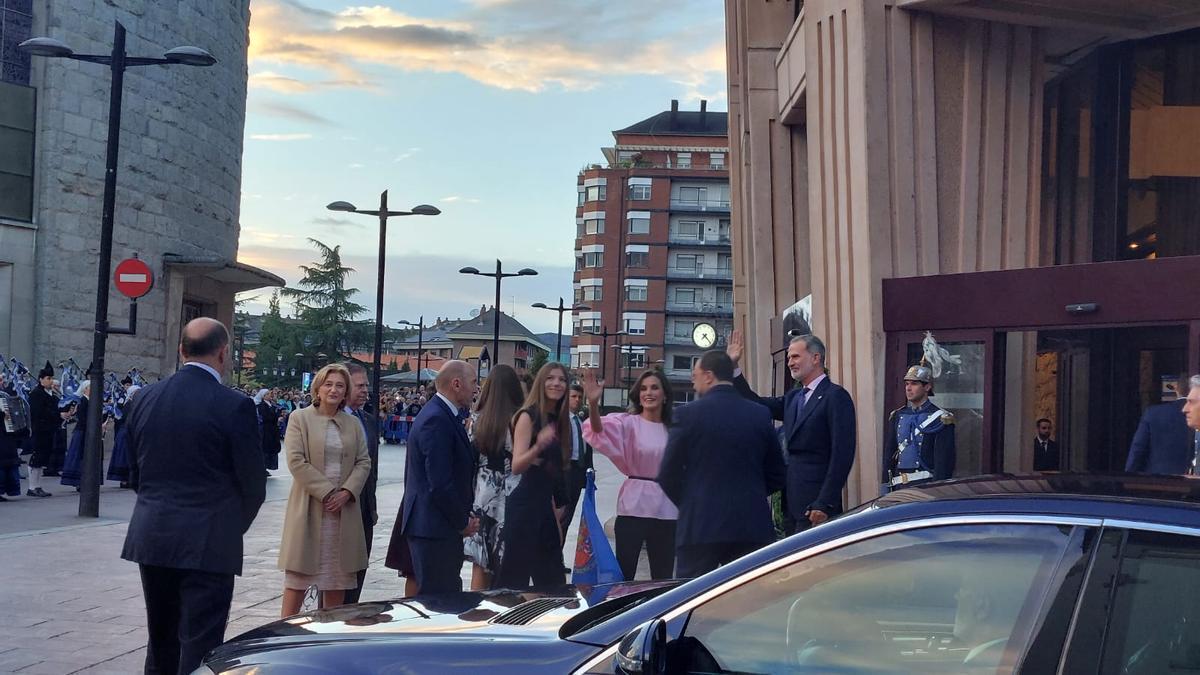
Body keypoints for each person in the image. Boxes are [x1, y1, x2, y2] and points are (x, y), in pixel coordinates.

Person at [120, 318, 266, 675]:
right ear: (223, 353)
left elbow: (134, 473)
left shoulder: (144, 398)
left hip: (153, 535)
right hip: (209, 540)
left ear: (181, 350)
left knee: (161, 640)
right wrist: (228, 526)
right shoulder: (235, 405)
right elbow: (253, 486)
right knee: (201, 644)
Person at [657, 351, 784, 578]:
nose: (691, 380)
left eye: (694, 374)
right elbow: (777, 474)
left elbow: (668, 474)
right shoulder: (759, 414)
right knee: (746, 601)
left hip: (700, 526)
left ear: (708, 375)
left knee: (689, 601)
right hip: (750, 526)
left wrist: (692, 500)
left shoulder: (687, 415)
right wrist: (750, 493)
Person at [728, 330, 856, 532]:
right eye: (788, 358)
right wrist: (734, 368)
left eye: (795, 356)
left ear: (816, 358)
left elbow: (842, 455)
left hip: (817, 508)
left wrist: (825, 502)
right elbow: (756, 403)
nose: (789, 362)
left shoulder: (835, 397)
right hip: (792, 506)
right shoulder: (794, 398)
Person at [279, 363, 372, 616]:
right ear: (317, 388)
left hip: (342, 513)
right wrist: (328, 492)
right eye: (328, 384)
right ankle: (284, 637)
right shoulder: (300, 418)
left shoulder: (352, 423)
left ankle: (329, 638)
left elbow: (364, 461)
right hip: (310, 508)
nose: (333, 390)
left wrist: (347, 492)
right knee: (297, 581)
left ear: (345, 392)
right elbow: (296, 461)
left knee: (337, 581)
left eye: (340, 386)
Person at [390, 360, 479, 594]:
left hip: (436, 527)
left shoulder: (443, 415)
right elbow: (439, 482)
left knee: (443, 594)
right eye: (473, 383)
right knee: (439, 599)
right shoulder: (436, 419)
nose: (475, 389)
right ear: (456, 384)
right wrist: (461, 522)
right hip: (433, 529)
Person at [581, 368, 677, 581]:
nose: (648, 393)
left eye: (654, 387)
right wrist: (594, 404)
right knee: (625, 573)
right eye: (643, 388)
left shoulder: (675, 429)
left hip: (667, 507)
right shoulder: (628, 423)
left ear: (665, 395)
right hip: (634, 505)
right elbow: (598, 430)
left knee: (663, 576)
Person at [496, 362, 572, 589]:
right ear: (541, 382)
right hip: (524, 507)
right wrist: (538, 446)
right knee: (514, 579)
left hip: (544, 508)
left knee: (553, 581)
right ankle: (504, 622)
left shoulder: (557, 419)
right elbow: (517, 464)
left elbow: (555, 471)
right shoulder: (527, 417)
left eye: (561, 379)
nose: (556, 383)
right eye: (550, 378)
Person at [464, 364, 525, 590]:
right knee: (507, 559)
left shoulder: (476, 419)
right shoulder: (519, 420)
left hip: (483, 490)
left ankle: (477, 610)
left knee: (481, 562)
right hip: (511, 489)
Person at [883, 364, 956, 491]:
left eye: (914, 384)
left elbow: (943, 463)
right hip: (898, 487)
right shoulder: (898, 415)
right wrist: (885, 486)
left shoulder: (941, 418)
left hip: (925, 487)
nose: (908, 388)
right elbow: (889, 456)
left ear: (927, 386)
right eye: (907, 384)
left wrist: (938, 491)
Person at [342, 362, 379, 605]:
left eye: (367, 384)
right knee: (338, 577)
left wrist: (372, 507)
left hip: (365, 508)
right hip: (341, 508)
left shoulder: (368, 420)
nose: (366, 390)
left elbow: (371, 468)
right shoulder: (331, 419)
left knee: (359, 572)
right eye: (360, 385)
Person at [1127, 374, 1195, 474]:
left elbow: (1137, 450)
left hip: (1158, 480)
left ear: (1176, 389)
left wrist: (1129, 478)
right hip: (1192, 482)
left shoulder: (1153, 413)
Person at [558, 383, 594, 539]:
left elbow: (587, 448)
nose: (577, 400)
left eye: (580, 397)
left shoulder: (581, 421)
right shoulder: (560, 420)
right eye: (573, 396)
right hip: (565, 471)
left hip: (578, 473)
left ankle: (559, 556)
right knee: (561, 516)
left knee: (569, 516)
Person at [26, 362, 63, 498]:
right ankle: (31, 487)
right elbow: (38, 413)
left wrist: (62, 415)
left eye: (51, 378)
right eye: (48, 378)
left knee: (42, 459)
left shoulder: (51, 395)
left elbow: (55, 409)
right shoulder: (36, 394)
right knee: (36, 458)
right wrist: (57, 415)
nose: (50, 380)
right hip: (39, 430)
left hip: (48, 430)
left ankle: (38, 486)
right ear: (41, 379)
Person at [0, 371, 28, 501]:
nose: (2, 383)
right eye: (0, 381)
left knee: (8, 461)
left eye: (2, 381)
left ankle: (5, 490)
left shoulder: (5, 396)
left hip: (6, 434)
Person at [106, 377, 136, 488]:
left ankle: (129, 479)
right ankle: (123, 480)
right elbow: (124, 418)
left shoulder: (132, 404)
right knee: (123, 457)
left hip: (130, 433)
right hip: (125, 433)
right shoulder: (128, 404)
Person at [59, 381, 90, 490]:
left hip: (84, 431)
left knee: (84, 456)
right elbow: (82, 417)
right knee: (79, 456)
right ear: (85, 389)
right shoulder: (82, 401)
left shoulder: (87, 400)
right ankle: (78, 481)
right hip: (82, 431)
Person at [255, 388, 282, 473]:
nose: (270, 395)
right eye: (267, 394)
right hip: (266, 430)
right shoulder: (261, 405)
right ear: (263, 396)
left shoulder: (271, 404)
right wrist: (277, 417)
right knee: (265, 448)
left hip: (272, 429)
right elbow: (266, 417)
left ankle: (267, 466)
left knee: (271, 447)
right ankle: (263, 467)